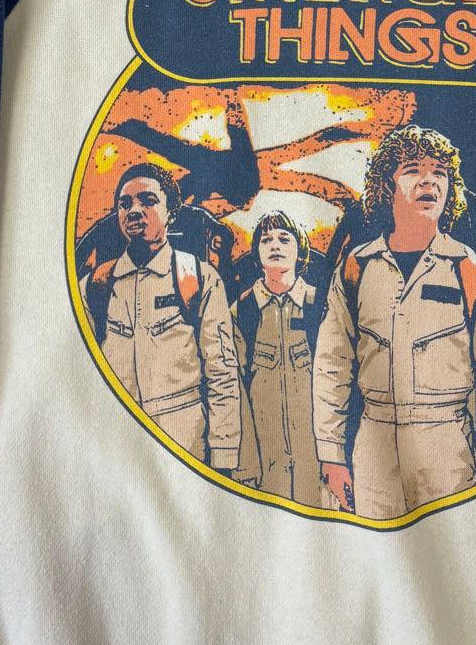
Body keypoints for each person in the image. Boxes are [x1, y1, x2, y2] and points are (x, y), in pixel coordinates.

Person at [313, 125, 476, 519]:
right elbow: (331, 365)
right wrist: (331, 453)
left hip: (449, 449)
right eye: (412, 170)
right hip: (373, 447)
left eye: (439, 173)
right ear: (386, 186)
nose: (429, 181)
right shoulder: (356, 268)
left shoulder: (473, 271)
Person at [79, 163, 241, 470]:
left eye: (148, 201)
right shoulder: (96, 285)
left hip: (184, 449)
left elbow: (222, 374)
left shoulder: (199, 278)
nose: (134, 211)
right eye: (125, 204)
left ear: (171, 213)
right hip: (117, 449)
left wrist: (223, 458)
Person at [230, 211, 327, 506]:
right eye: (266, 239)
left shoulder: (322, 306)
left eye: (284, 239)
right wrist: (245, 466)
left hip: (317, 465)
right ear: (257, 252)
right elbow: (234, 392)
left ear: (300, 250)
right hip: (265, 467)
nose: (275, 245)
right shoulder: (243, 311)